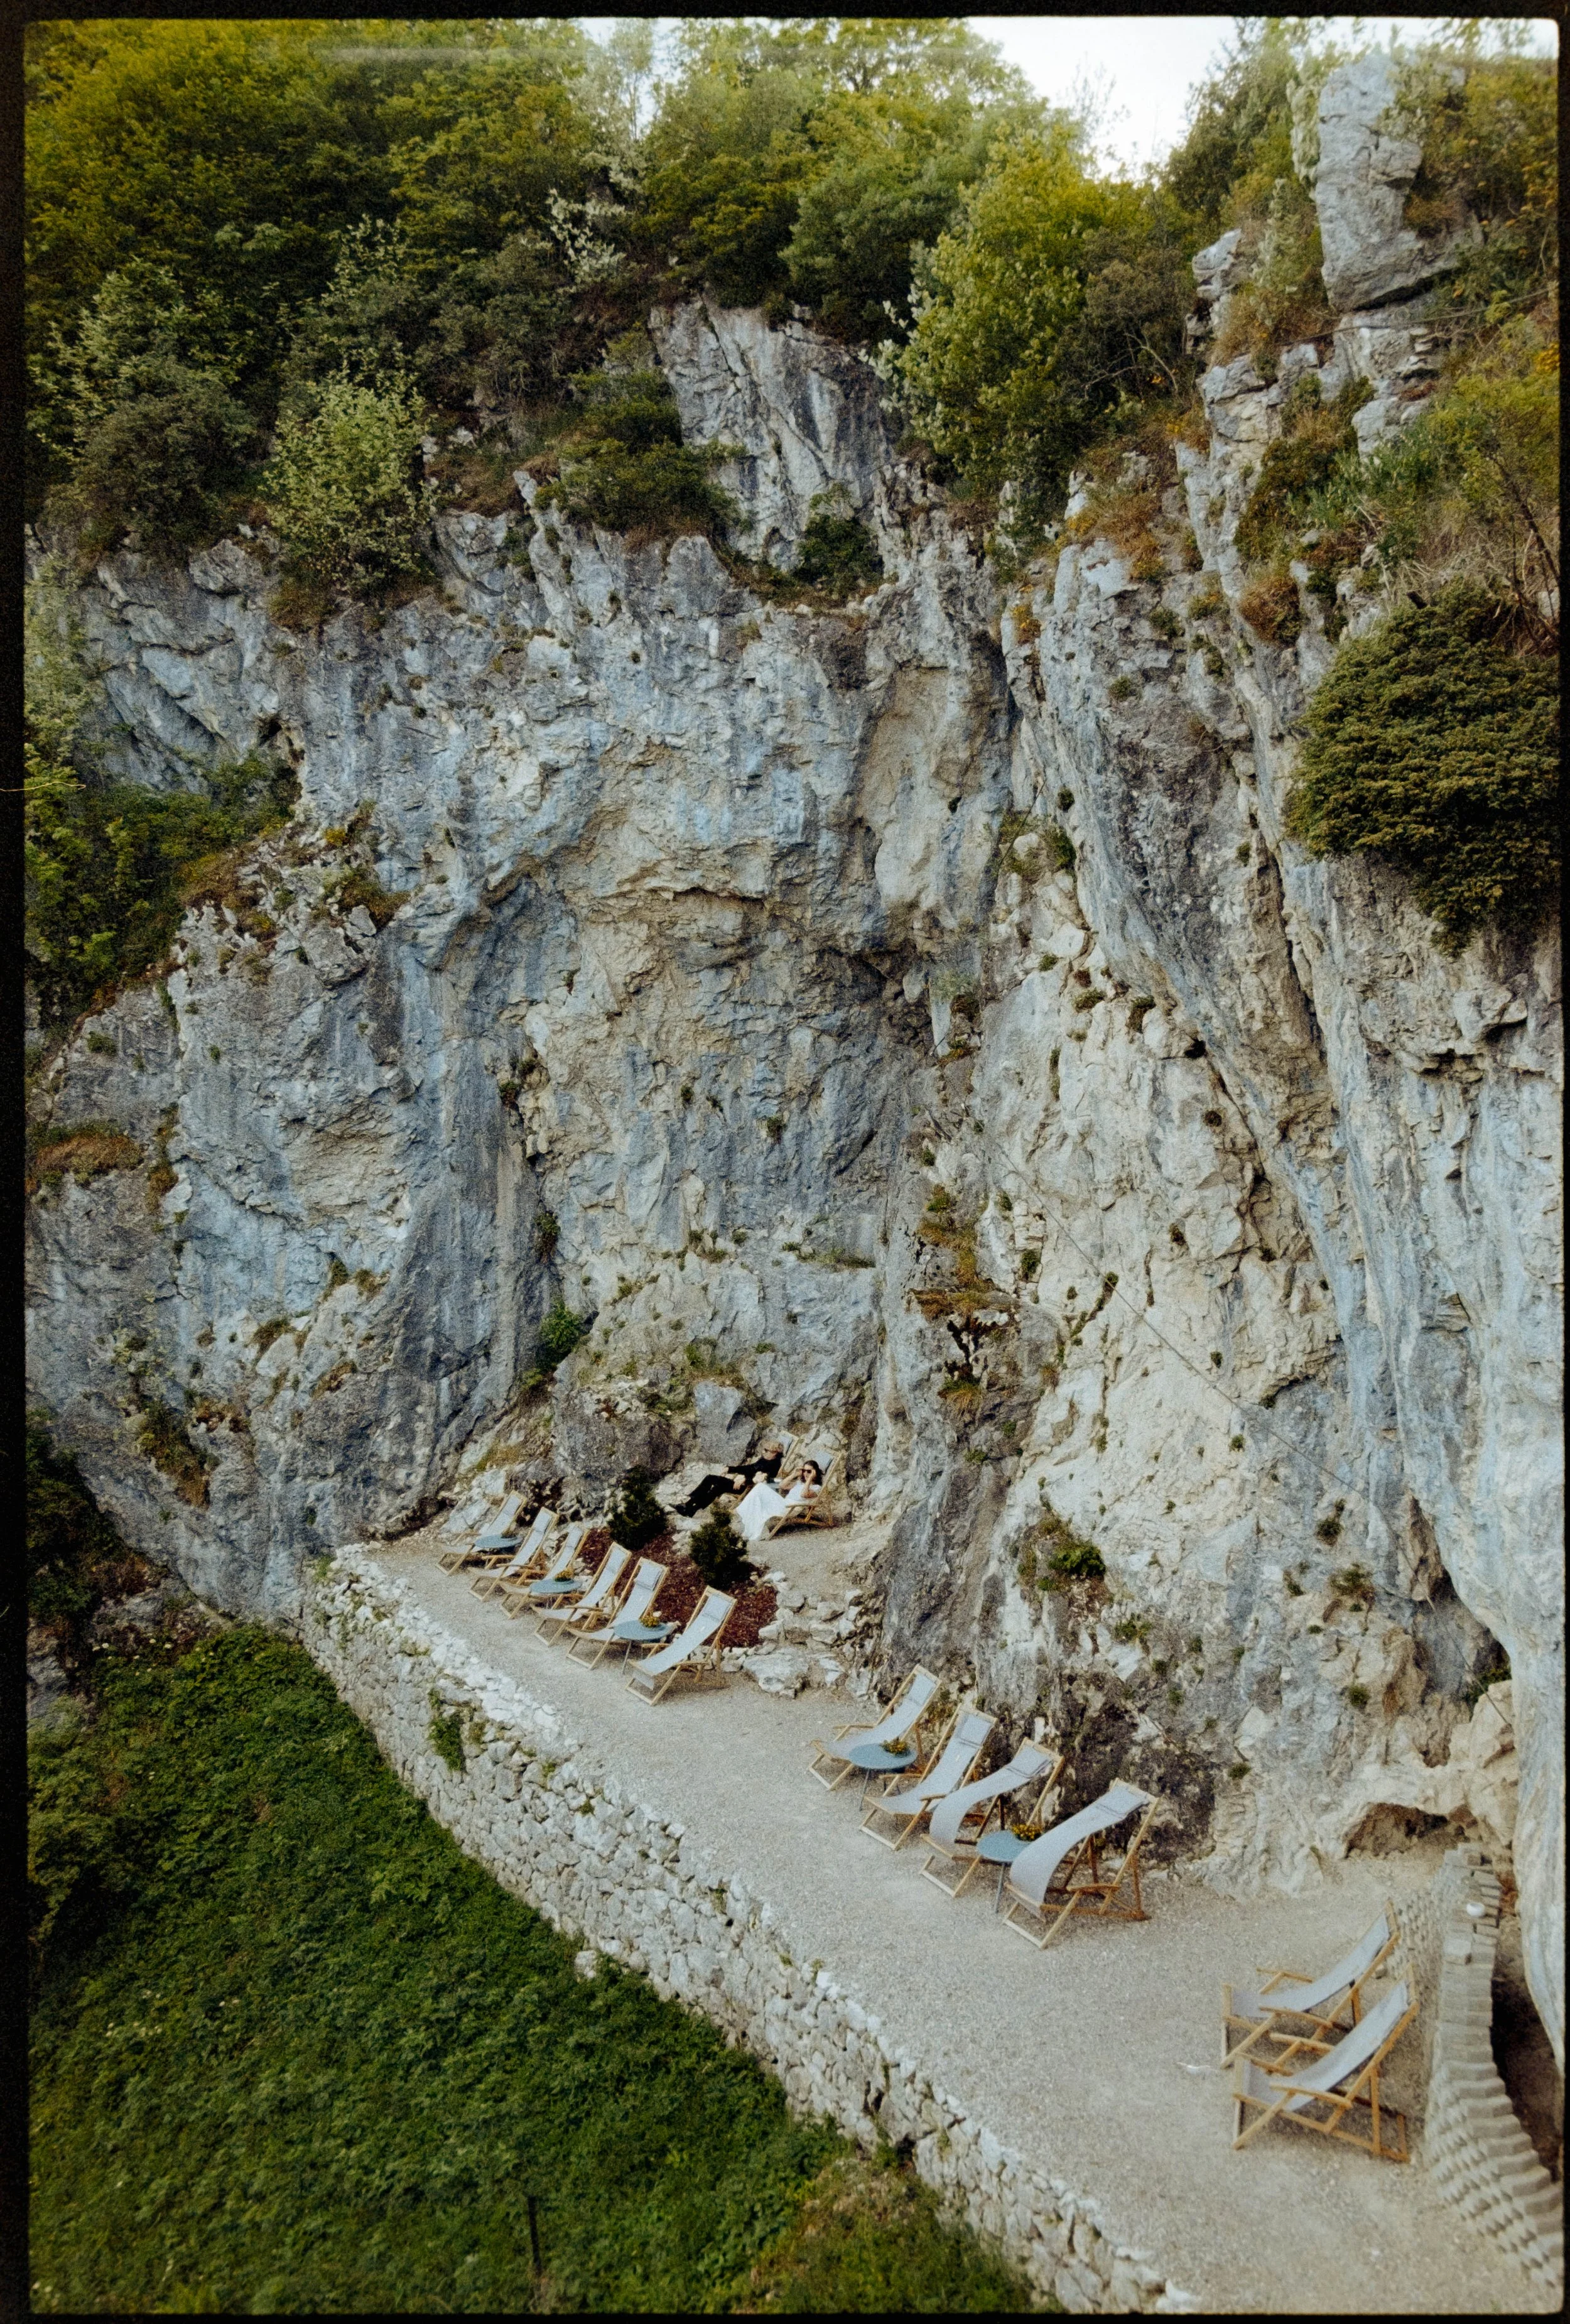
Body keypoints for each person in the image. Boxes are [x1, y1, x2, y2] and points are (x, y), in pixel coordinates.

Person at [676, 1440, 784, 1518]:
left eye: (766, 1450)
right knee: (717, 1487)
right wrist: (730, 1469)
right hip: (745, 1484)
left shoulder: (774, 1465)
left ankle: (689, 1506)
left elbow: (764, 1481)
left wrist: (746, 1481)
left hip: (749, 1489)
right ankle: (691, 1509)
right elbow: (750, 1468)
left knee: (711, 1479)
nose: (763, 1452)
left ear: (774, 1453)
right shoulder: (765, 1460)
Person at [735, 1458, 820, 1544]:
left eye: (809, 1472)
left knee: (761, 1487)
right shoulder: (799, 1483)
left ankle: (742, 1511)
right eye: (804, 1471)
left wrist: (809, 1480)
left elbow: (804, 1494)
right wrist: (794, 1475)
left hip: (789, 1508)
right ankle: (748, 1523)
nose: (806, 1474)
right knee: (760, 1489)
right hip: (784, 1503)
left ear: (815, 1473)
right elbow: (782, 1486)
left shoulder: (817, 1488)